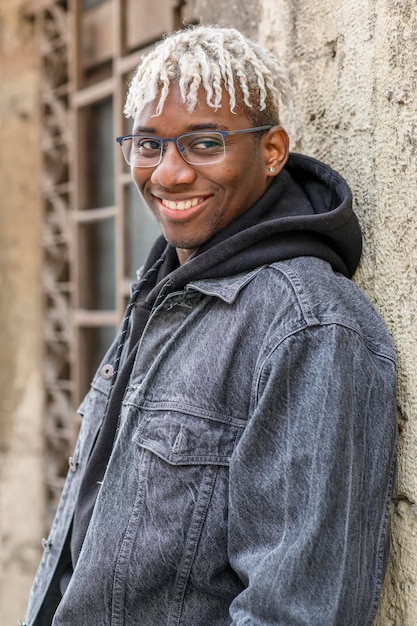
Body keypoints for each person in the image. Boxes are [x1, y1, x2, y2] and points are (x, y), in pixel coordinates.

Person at [23, 24, 397, 626]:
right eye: (148, 145)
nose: (168, 174)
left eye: (204, 144)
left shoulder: (311, 329)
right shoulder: (163, 294)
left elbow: (294, 612)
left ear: (271, 151)